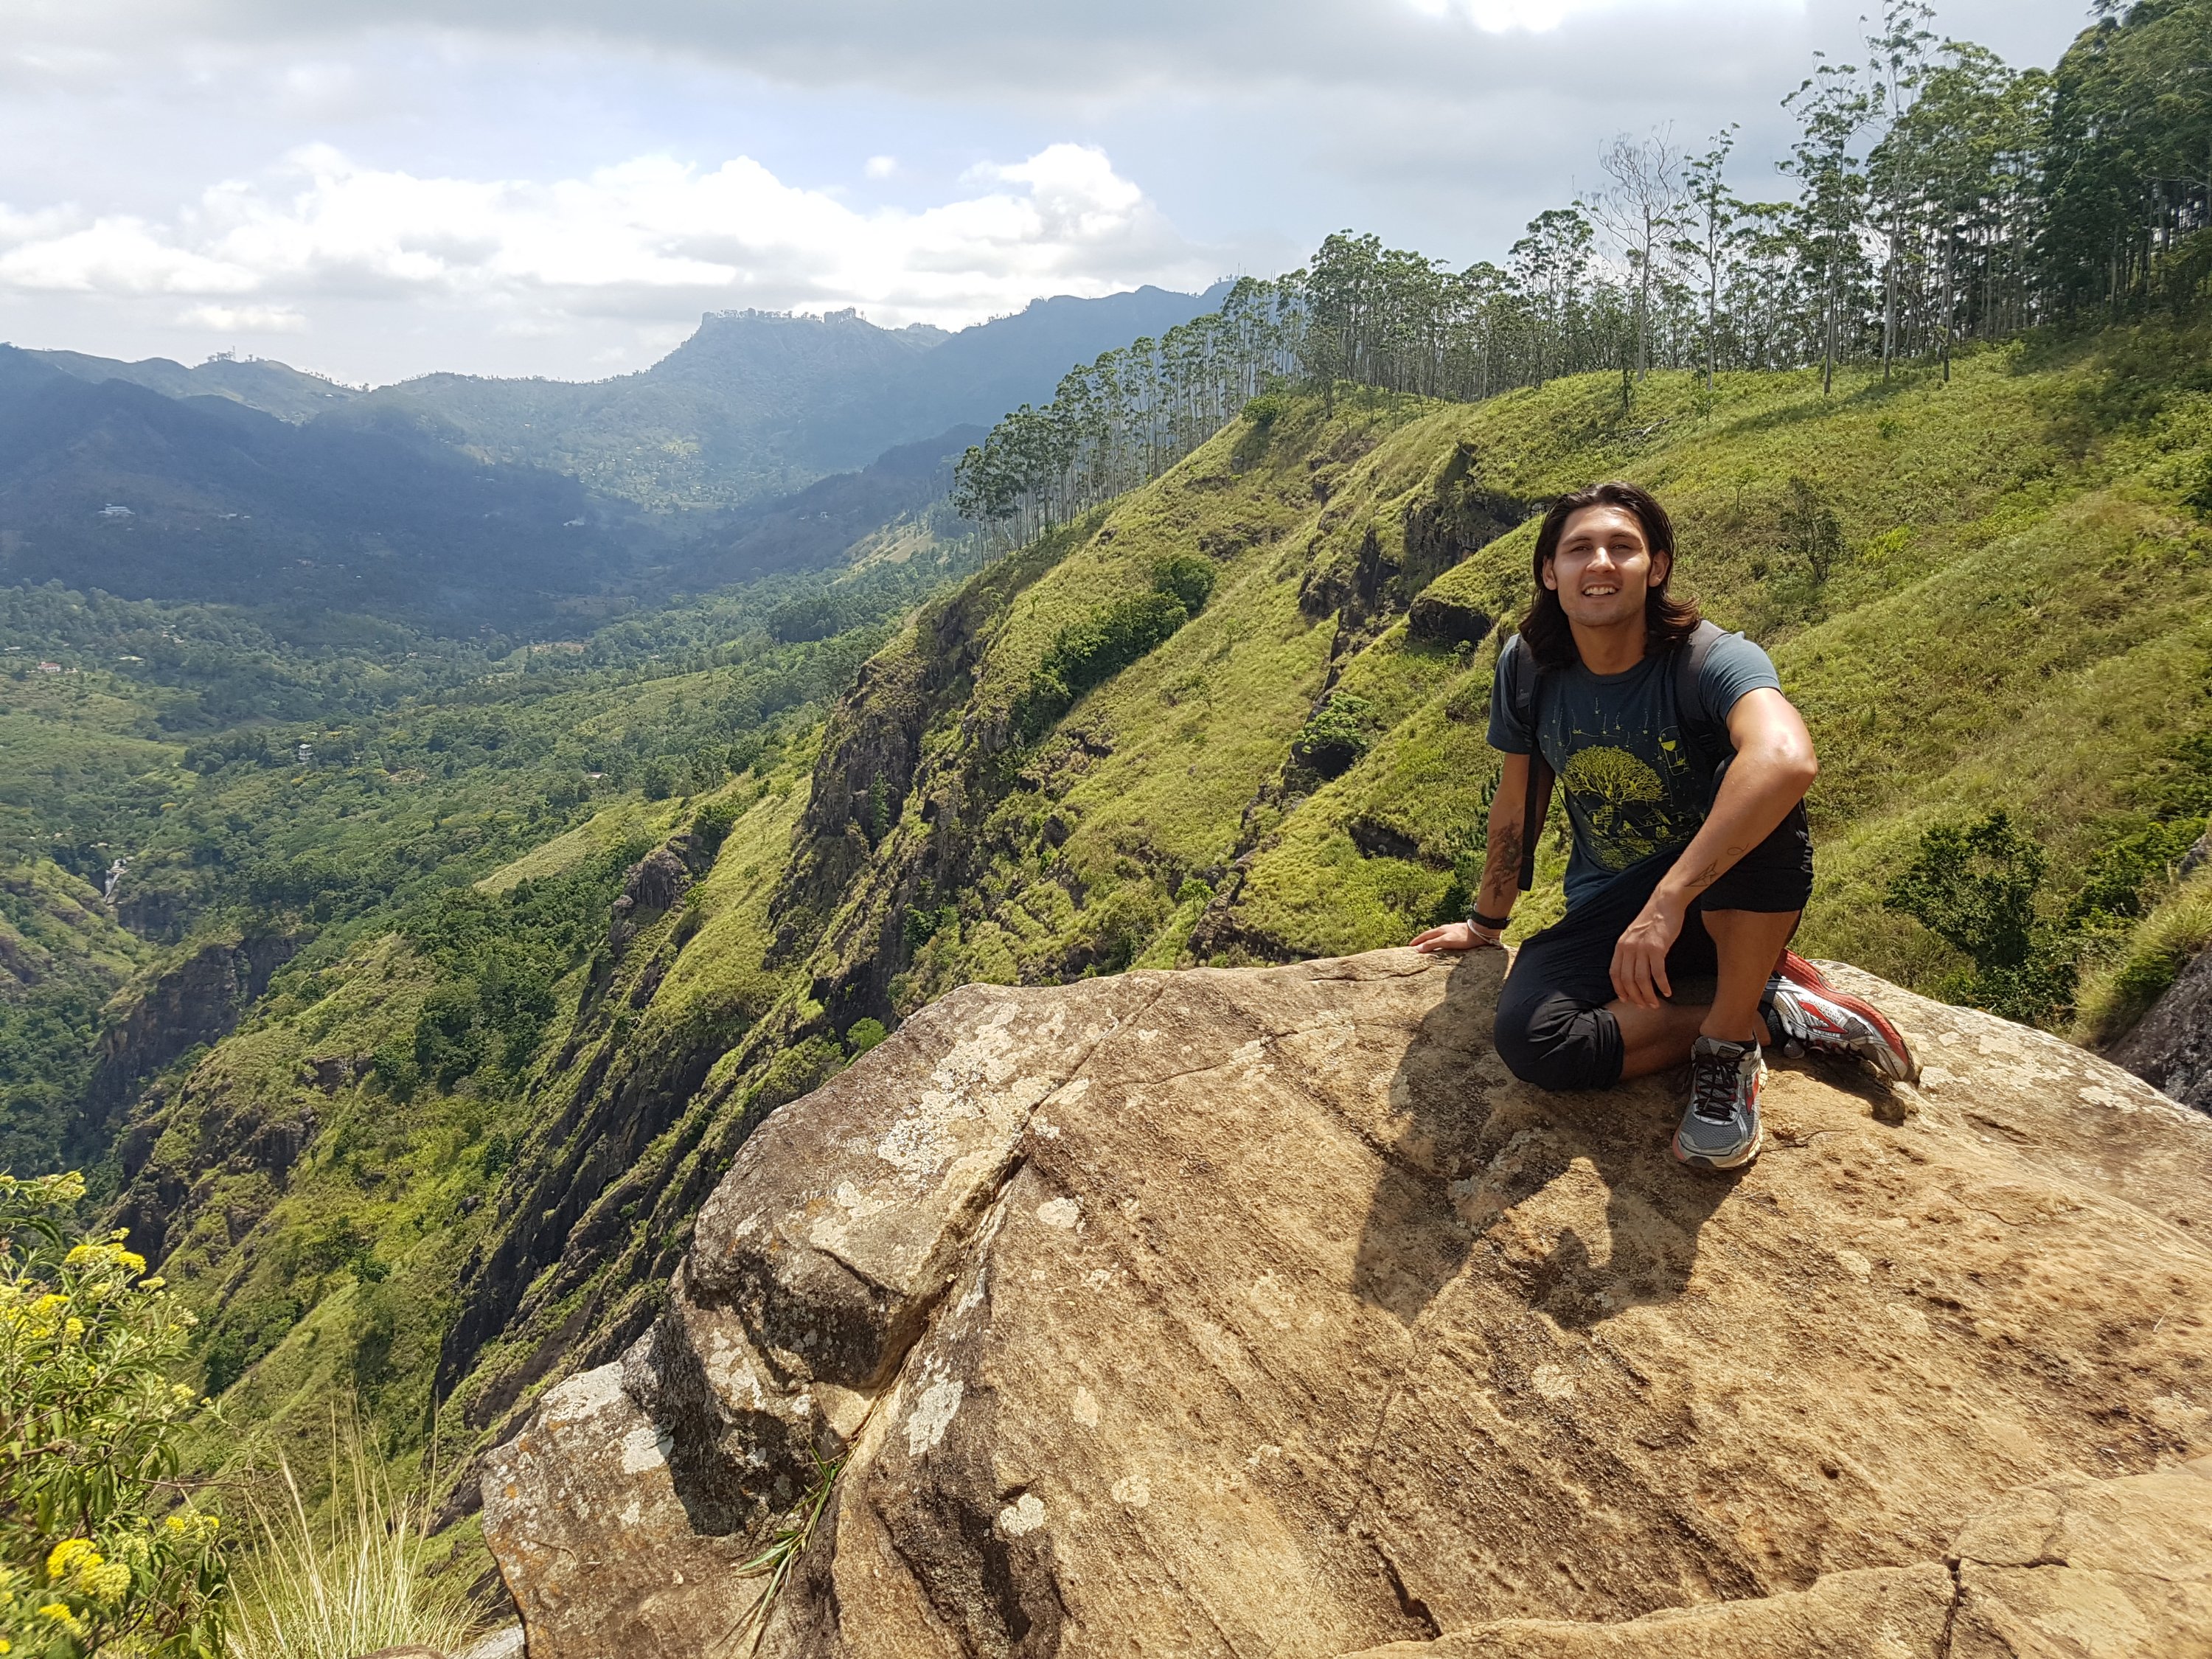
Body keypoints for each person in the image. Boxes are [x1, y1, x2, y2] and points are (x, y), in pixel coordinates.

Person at [1411, 480, 1915, 1170]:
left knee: (1757, 788)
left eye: (1623, 547)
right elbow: (1518, 801)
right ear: (1549, 572)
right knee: (1534, 1041)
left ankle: (1729, 1044)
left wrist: (1670, 899)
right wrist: (1486, 924)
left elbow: (1787, 758)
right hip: (1612, 912)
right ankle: (1781, 1015)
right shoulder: (1529, 666)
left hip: (1726, 899)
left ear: (1657, 567)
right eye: (1579, 549)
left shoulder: (1712, 660)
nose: (1600, 563)